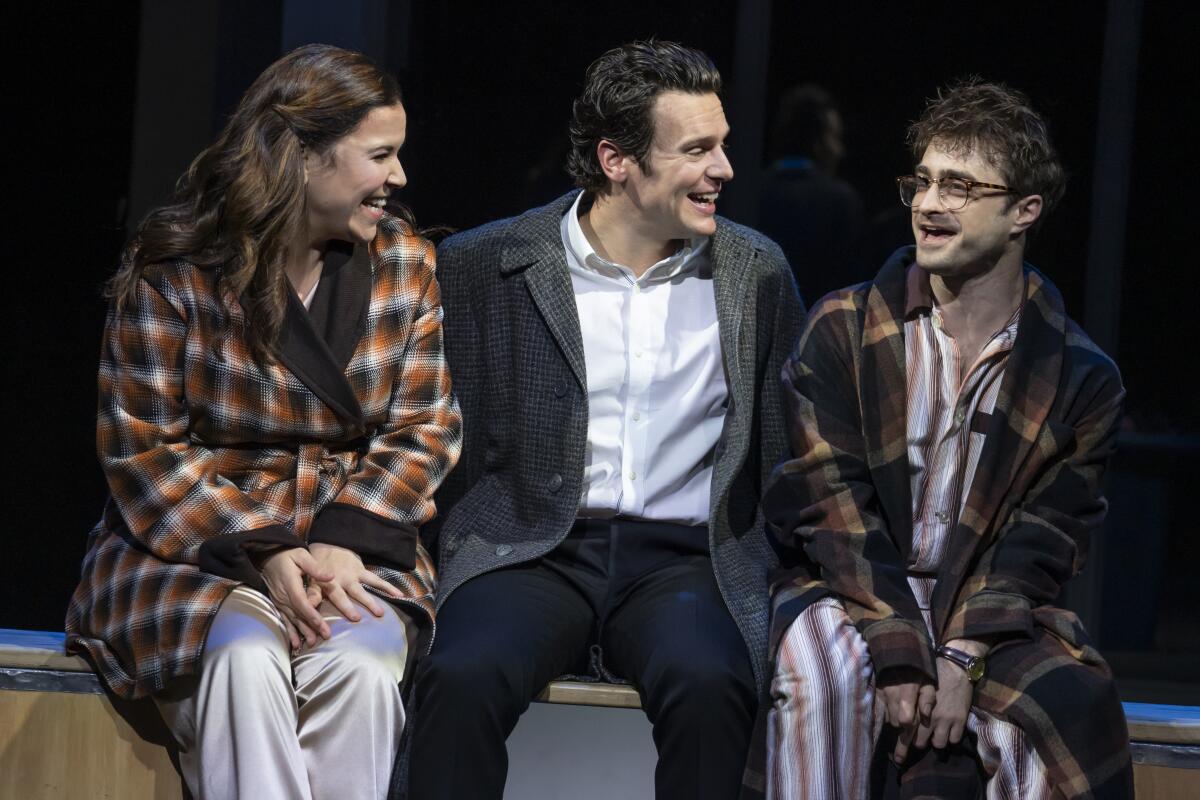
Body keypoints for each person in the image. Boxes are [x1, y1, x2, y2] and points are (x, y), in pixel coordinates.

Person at [406, 40, 804, 800]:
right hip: (532, 549)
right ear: (617, 160)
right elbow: (446, 440)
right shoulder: (486, 262)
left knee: (712, 684)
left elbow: (783, 449)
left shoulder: (756, 273)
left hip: (685, 559)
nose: (723, 168)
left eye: (722, 144)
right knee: (458, 676)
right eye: (697, 149)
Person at [65, 44, 462, 800]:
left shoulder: (404, 262)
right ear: (303, 157)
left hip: (349, 550)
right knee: (246, 659)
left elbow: (425, 426)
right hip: (195, 549)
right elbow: (144, 448)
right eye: (380, 155)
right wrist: (268, 551)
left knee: (361, 672)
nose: (400, 178)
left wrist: (341, 543)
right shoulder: (176, 269)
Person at [748, 78, 1133, 799]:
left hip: (983, 606)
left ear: (1024, 211)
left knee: (1044, 728)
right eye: (921, 182)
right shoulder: (844, 329)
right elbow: (832, 510)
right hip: (849, 586)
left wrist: (960, 654)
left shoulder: (1080, 377)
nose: (928, 204)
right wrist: (900, 649)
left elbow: (1041, 539)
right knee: (825, 680)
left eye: (958, 186)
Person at [758, 84, 866, 302]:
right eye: (835, 138)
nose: (840, 150)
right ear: (819, 142)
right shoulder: (840, 200)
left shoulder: (748, 190)